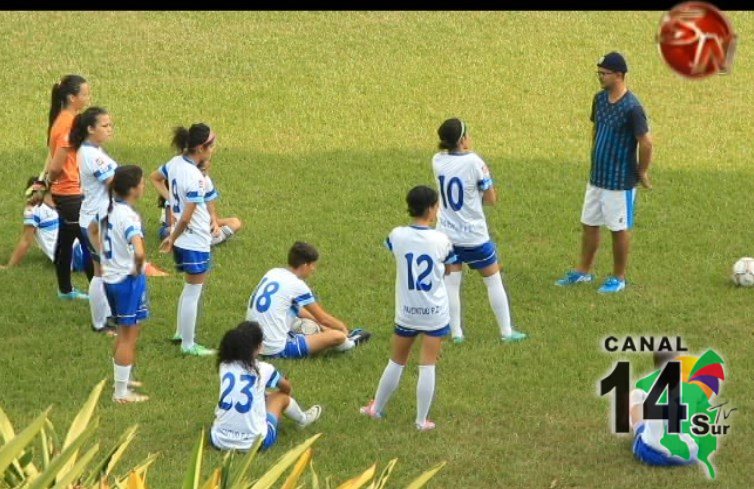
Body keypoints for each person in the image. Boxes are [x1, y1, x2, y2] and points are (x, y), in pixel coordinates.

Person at [360, 185, 457, 431]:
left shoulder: (397, 235)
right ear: (431, 209)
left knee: (396, 361)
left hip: (407, 311)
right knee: (427, 365)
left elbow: (395, 250)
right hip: (434, 312)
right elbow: (448, 267)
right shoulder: (441, 239)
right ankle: (421, 420)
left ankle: (377, 408)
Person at [555, 52, 653, 293]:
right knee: (589, 224)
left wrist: (642, 171)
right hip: (597, 178)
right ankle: (583, 272)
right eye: (598, 73)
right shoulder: (599, 100)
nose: (600, 77)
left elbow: (647, 142)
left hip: (619, 182)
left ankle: (618, 277)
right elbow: (595, 129)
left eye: (604, 73)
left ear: (619, 75)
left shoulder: (633, 108)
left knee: (619, 230)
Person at [431, 118, 527, 344]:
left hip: (446, 234)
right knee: (493, 280)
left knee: (451, 283)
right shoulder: (474, 162)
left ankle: (456, 334)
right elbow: (491, 198)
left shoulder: (437, 160)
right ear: (463, 140)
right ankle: (506, 331)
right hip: (473, 236)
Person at [245, 241, 371, 359]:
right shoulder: (298, 285)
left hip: (252, 341)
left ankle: (324, 331)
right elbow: (323, 317)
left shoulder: (274, 272)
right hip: (274, 349)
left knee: (299, 313)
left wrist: (323, 326)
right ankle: (351, 342)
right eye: (313, 265)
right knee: (337, 337)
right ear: (305, 265)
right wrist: (343, 328)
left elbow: (298, 310)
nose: (313, 269)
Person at [88, 165, 150, 403]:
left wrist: (102, 254)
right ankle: (121, 393)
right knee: (127, 334)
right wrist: (136, 268)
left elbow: (92, 230)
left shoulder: (105, 207)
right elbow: (140, 251)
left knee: (127, 330)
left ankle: (124, 376)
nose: (143, 186)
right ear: (133, 189)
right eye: (141, 183)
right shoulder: (129, 216)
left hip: (111, 279)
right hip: (127, 281)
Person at [210, 321, 322, 451]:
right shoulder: (264, 369)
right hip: (255, 444)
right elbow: (287, 389)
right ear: (257, 346)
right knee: (281, 398)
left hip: (218, 440)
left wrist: (262, 394)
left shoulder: (225, 365)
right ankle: (303, 419)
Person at [157, 123, 218, 356]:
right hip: (193, 239)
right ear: (201, 148)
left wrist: (172, 204)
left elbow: (156, 177)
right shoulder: (196, 177)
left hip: (183, 239)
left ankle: (180, 332)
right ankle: (188, 344)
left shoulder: (175, 163)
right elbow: (186, 218)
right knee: (194, 290)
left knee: (189, 286)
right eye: (211, 146)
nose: (213, 150)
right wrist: (172, 237)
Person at [44, 74, 93, 300]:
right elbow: (56, 165)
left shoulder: (61, 119)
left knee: (65, 241)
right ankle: (101, 295)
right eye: (84, 94)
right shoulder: (67, 125)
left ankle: (65, 290)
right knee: (89, 244)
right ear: (72, 97)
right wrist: (45, 184)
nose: (87, 98)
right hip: (72, 193)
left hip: (66, 193)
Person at [71, 107, 117, 335]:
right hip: (95, 222)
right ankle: (100, 324)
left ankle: (107, 315)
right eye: (105, 125)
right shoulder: (92, 155)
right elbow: (115, 184)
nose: (110, 129)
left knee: (105, 270)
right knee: (101, 271)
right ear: (90, 129)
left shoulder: (92, 151)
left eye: (110, 125)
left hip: (98, 219)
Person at [1, 177, 85, 272]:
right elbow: (25, 242)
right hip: (75, 254)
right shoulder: (36, 210)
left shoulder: (42, 208)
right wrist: (9, 266)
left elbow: (26, 241)